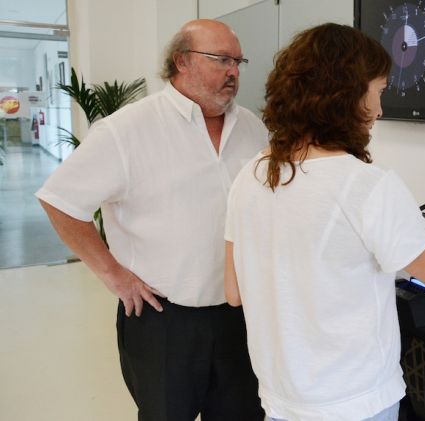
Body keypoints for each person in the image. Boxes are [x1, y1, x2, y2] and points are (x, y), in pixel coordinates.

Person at [224, 23, 425, 421]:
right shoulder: (367, 187)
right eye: (378, 92)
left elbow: (234, 292)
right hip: (355, 405)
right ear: (346, 95)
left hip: (282, 402)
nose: (379, 110)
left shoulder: (250, 175)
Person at [36, 19, 267, 421]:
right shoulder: (126, 130)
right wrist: (113, 274)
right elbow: (59, 200)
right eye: (221, 60)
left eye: (238, 61)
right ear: (182, 61)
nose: (233, 71)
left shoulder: (253, 127)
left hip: (239, 314)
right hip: (163, 320)